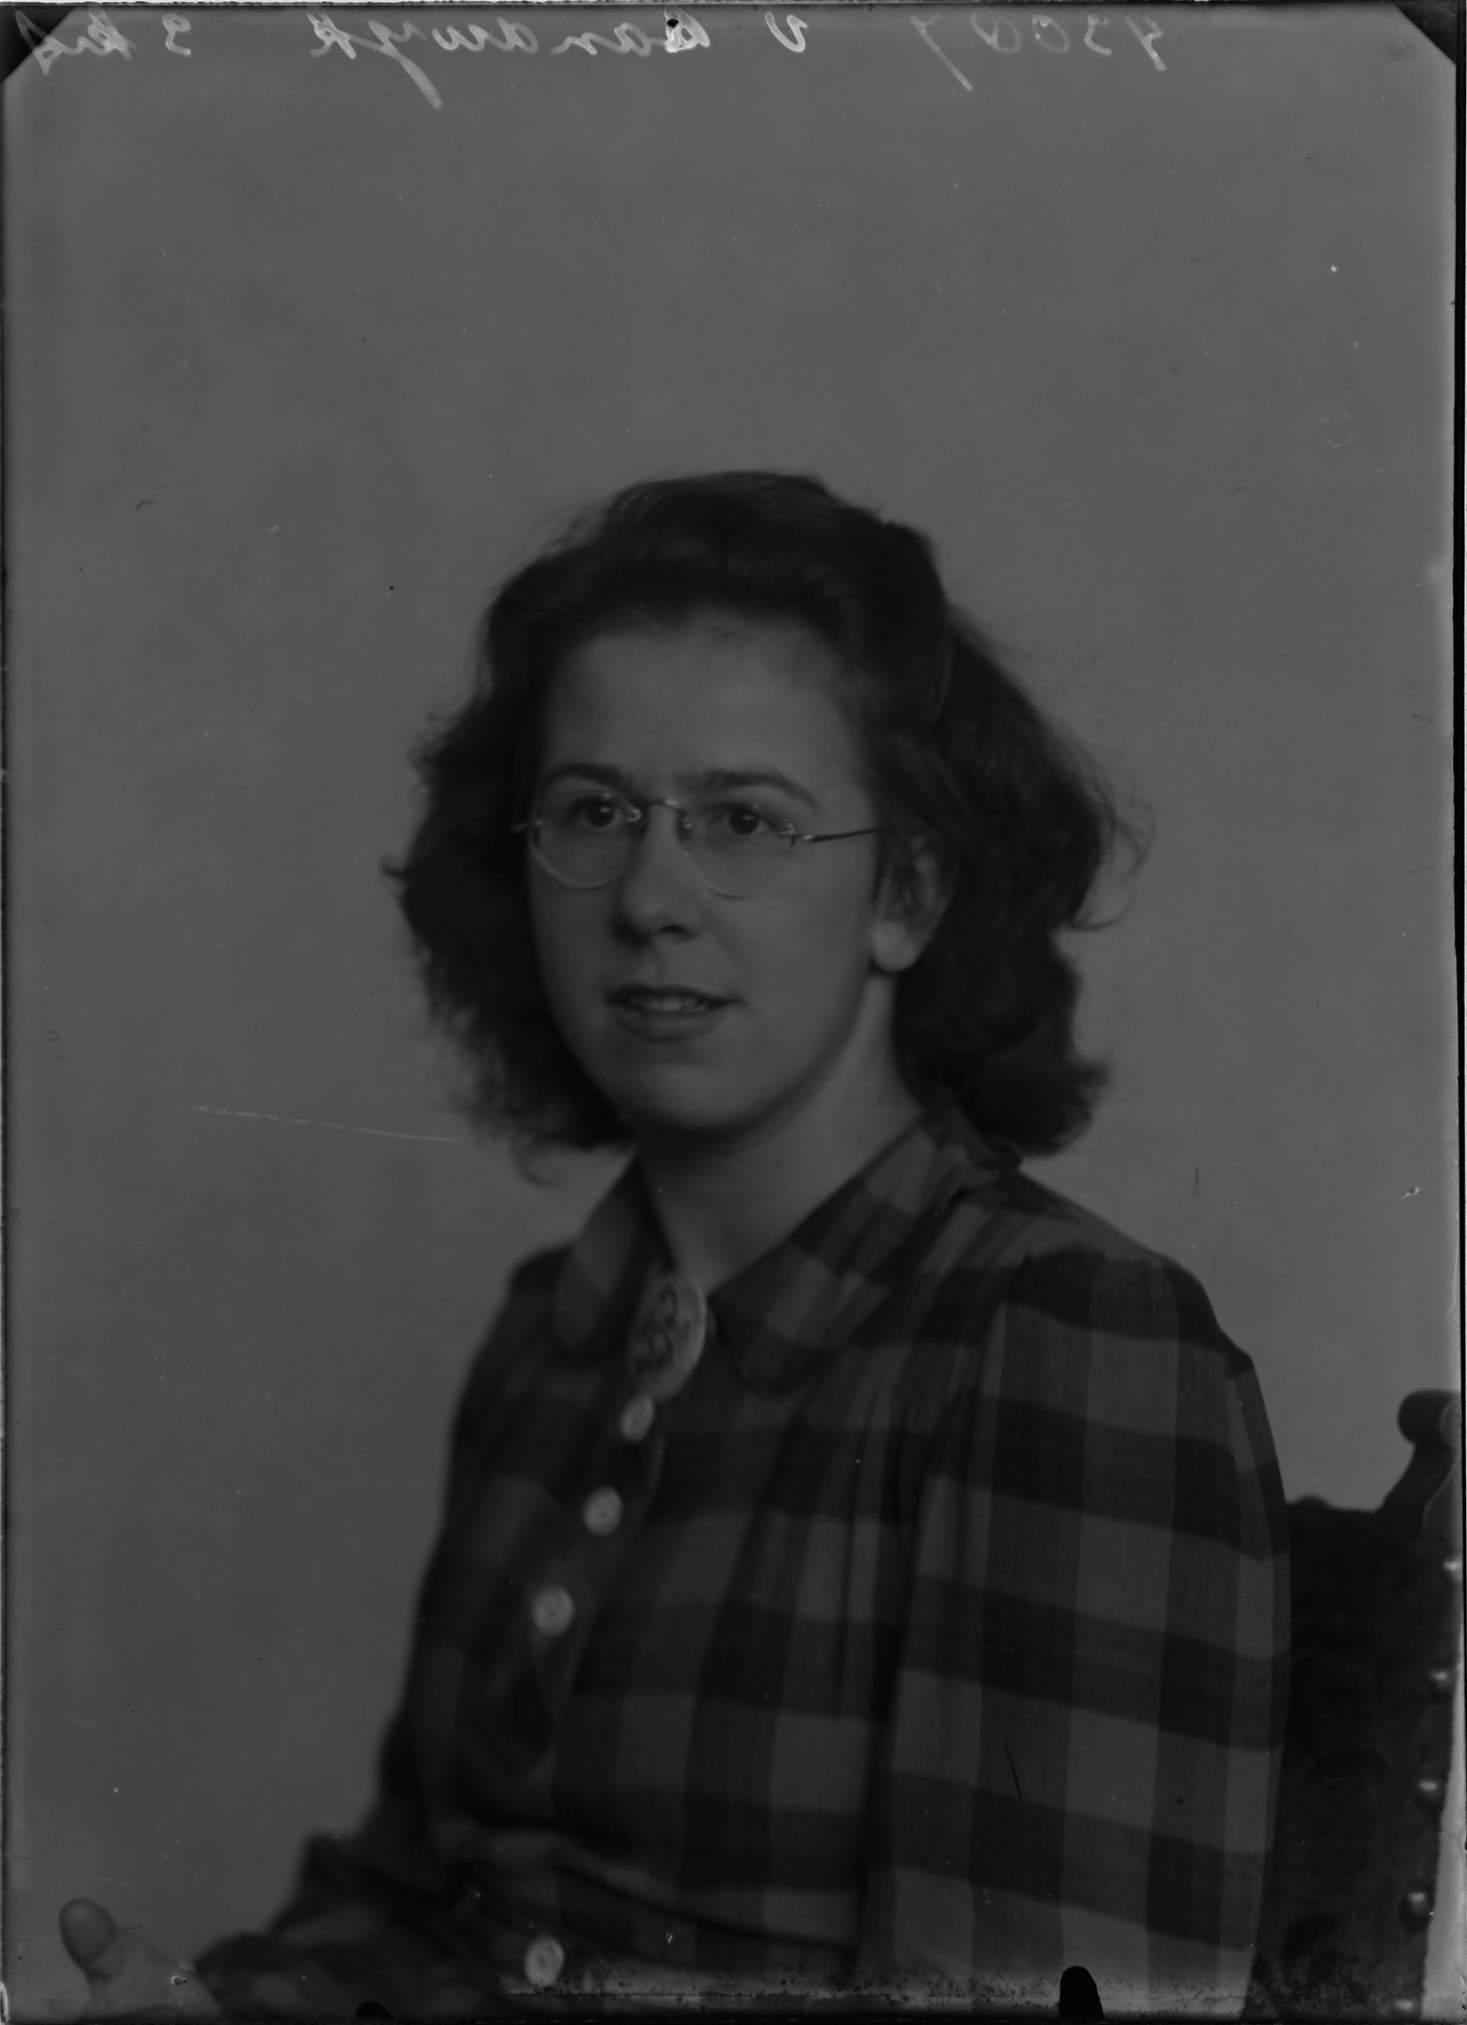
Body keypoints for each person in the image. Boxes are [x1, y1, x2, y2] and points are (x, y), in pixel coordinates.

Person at [60, 472, 1290, 2018]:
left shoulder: (1063, 1343)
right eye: (593, 811)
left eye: (744, 820)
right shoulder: (551, 1334)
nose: (649, 895)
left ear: (906, 891)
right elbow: (426, 1909)